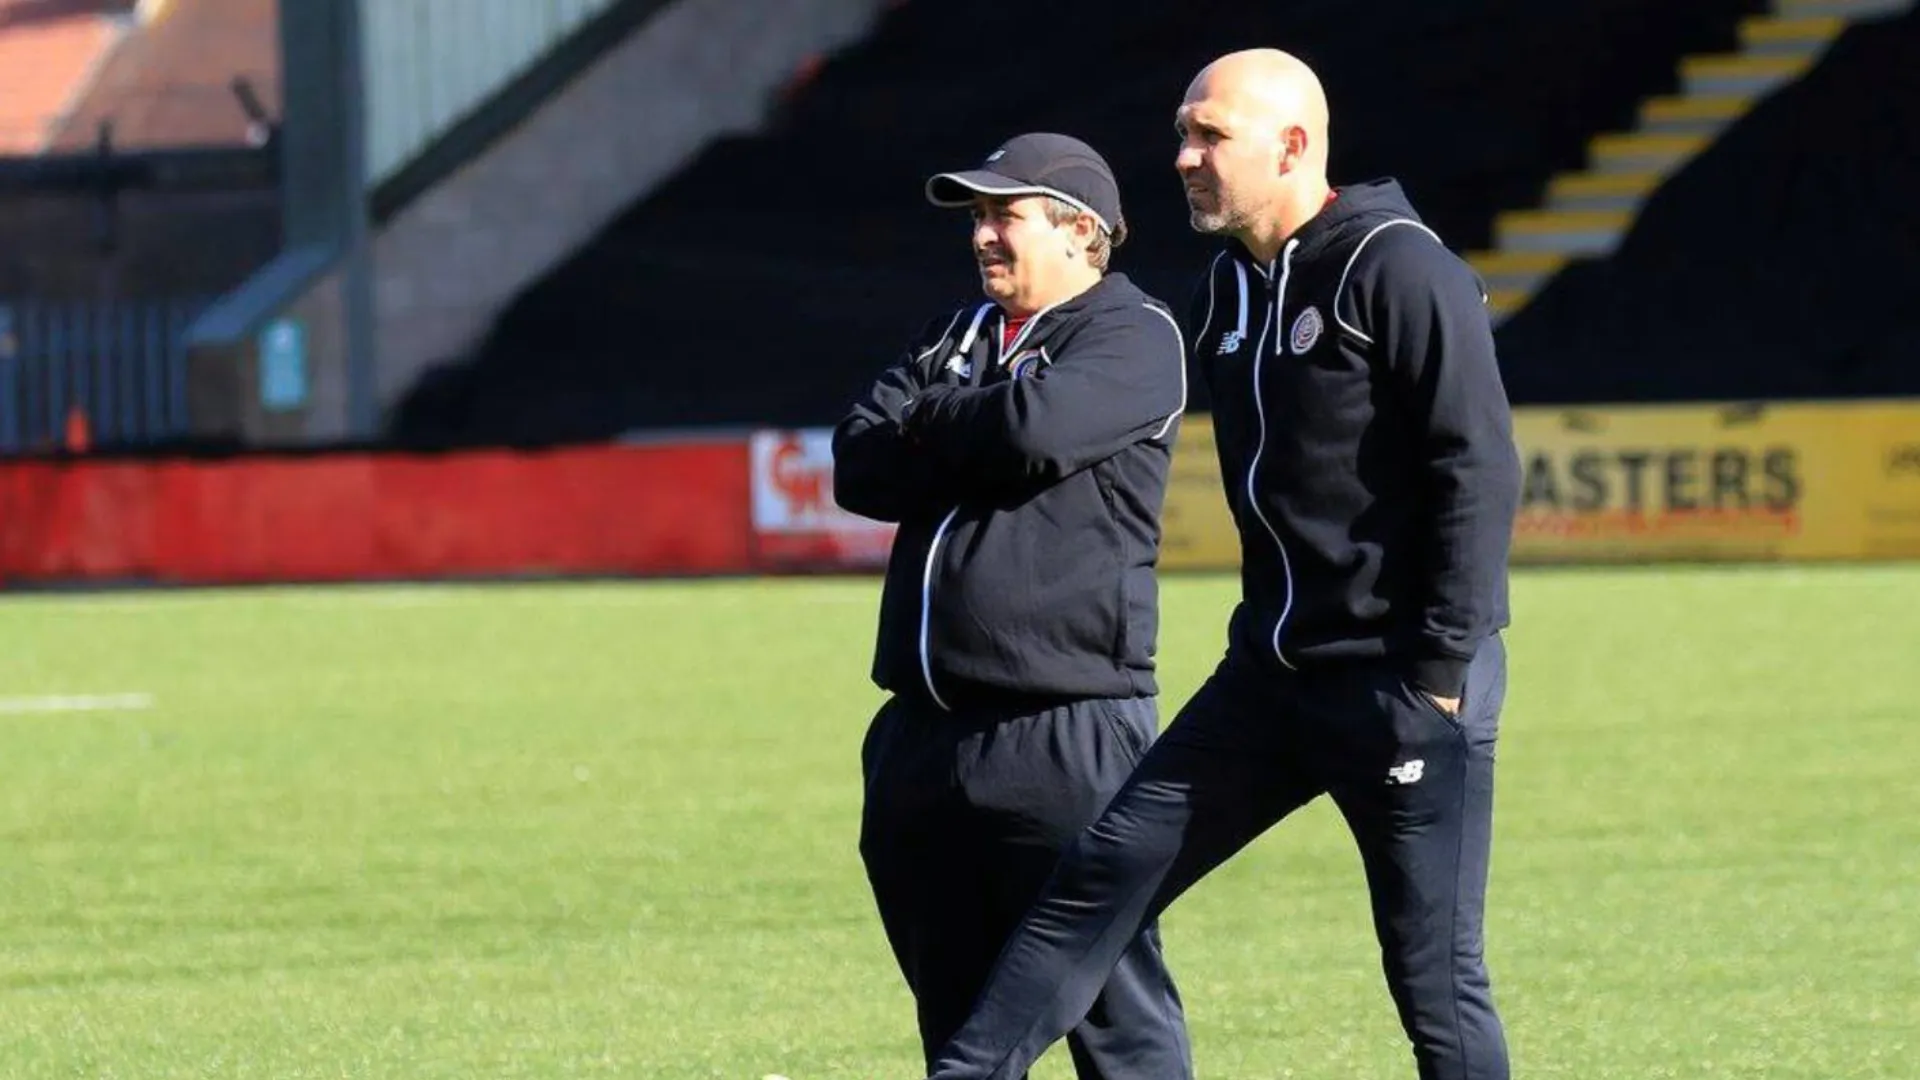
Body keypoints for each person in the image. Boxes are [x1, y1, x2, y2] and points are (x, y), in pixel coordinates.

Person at [916, 50, 1524, 1080]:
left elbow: (1478, 467)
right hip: (1271, 684)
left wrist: (1438, 671)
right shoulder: (1227, 288)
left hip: (1403, 686)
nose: (1184, 158)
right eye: (1182, 135)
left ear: (1292, 145)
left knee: (1432, 978)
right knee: (1099, 879)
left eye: (1211, 137)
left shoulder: (1398, 265)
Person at [832, 132, 1194, 1080]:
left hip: (1065, 731)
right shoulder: (959, 334)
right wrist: (966, 417)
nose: (984, 234)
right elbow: (860, 464)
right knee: (957, 1028)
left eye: (1005, 214)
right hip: (921, 736)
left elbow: (1035, 433)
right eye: (978, 217)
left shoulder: (1133, 333)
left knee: (1116, 1021)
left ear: (1080, 231)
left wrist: (936, 418)